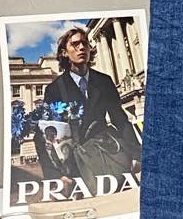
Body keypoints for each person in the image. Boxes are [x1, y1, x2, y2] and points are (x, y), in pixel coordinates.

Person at [43, 26, 142, 166]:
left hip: (107, 153)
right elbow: (46, 134)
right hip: (75, 162)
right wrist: (55, 174)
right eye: (75, 44)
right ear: (64, 53)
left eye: (85, 43)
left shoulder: (104, 81)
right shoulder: (54, 89)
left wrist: (137, 155)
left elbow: (120, 119)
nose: (82, 47)